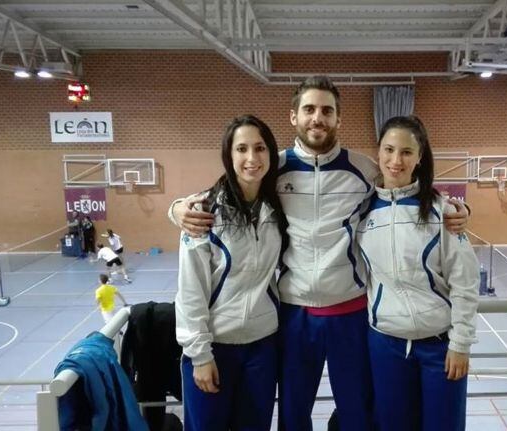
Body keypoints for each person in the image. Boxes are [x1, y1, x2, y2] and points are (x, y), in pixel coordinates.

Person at [170, 76, 470, 430]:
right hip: (294, 317)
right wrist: (176, 209)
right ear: (293, 116)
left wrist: (454, 208)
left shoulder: (363, 170)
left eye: (327, 110)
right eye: (309, 109)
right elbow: (228, 191)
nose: (318, 118)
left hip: (351, 314)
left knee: (358, 415)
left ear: (338, 119)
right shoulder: (270, 168)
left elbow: (401, 185)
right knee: (294, 417)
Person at [357, 116, 479, 431]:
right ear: (379, 151)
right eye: (389, 149)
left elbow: (465, 282)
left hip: (440, 348)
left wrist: (461, 343)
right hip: (386, 345)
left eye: (406, 152)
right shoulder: (361, 210)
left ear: (420, 157)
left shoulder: (443, 212)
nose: (396, 161)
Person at [176, 115, 287, 431]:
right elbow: (190, 290)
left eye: (260, 148)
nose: (252, 158)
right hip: (213, 350)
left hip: (262, 347)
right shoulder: (203, 212)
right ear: (229, 155)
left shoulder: (277, 208)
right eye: (242, 149)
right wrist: (199, 355)